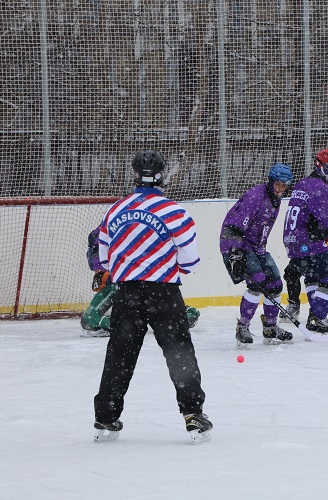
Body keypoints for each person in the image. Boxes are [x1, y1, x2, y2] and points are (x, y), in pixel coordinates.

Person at [92, 150, 211, 444]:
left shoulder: (115, 211)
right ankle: (193, 414)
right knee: (179, 353)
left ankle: (106, 417)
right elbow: (190, 261)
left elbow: (105, 259)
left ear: (134, 175)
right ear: (162, 176)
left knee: (119, 356)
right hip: (164, 294)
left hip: (127, 293)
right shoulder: (174, 212)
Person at [219, 163, 295, 349]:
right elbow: (233, 225)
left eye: (284, 186)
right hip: (238, 245)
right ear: (271, 181)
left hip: (257, 247)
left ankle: (270, 327)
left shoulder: (275, 200)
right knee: (257, 282)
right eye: (277, 184)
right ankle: (242, 327)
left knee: (276, 283)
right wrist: (235, 253)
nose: (280, 189)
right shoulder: (255, 196)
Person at [80, 228, 200, 337]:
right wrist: (102, 270)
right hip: (127, 286)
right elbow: (96, 256)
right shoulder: (106, 231)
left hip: (142, 286)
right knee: (93, 315)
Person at [282, 148, 328, 334]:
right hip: (308, 241)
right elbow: (326, 220)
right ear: (326, 167)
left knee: (312, 276)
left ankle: (315, 315)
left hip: (292, 241)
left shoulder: (302, 184)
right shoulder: (319, 187)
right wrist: (323, 235)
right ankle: (317, 317)